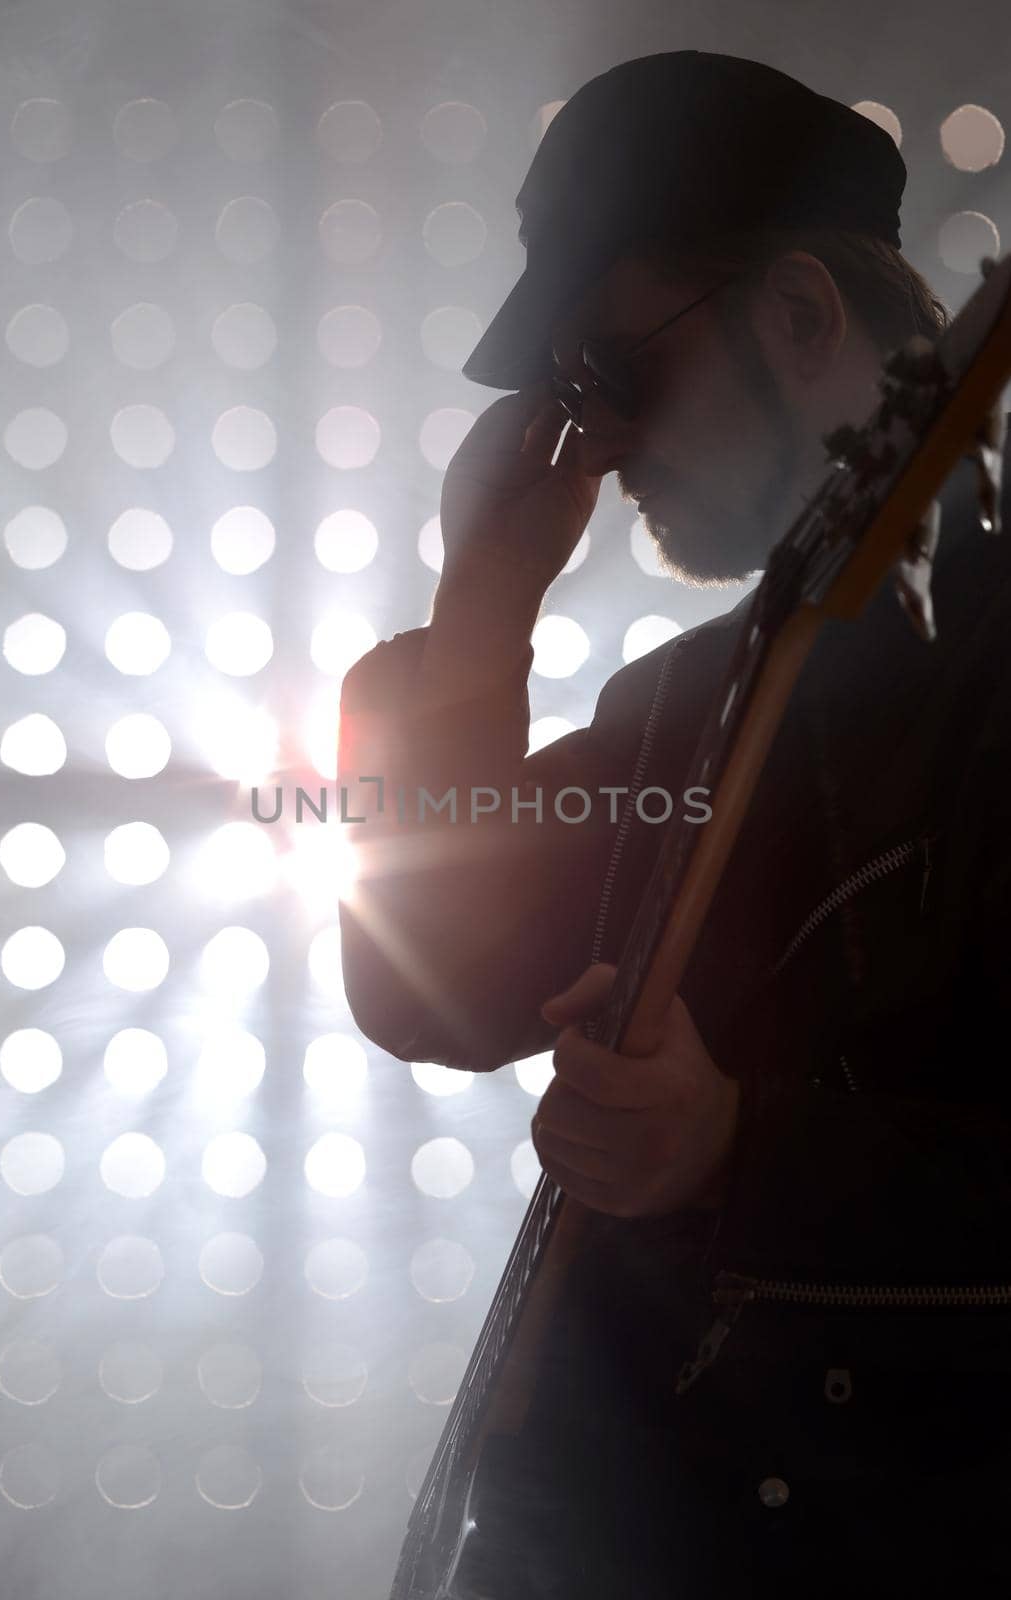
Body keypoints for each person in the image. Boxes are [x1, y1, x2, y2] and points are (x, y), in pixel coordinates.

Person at [337, 51, 1011, 1596]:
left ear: (796, 315)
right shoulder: (679, 709)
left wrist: (740, 1150)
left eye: (617, 371)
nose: (601, 438)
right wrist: (478, 620)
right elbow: (433, 984)